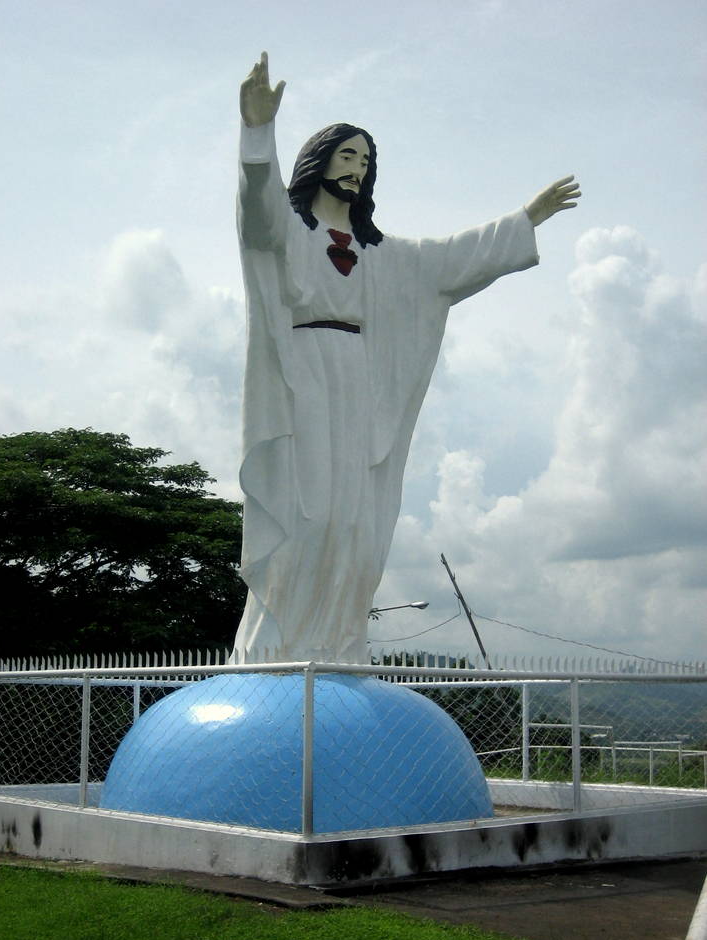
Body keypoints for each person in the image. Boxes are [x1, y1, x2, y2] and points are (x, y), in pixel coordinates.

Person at [233, 53, 580, 664]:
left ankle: (340, 646)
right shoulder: (290, 231)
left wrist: (528, 218)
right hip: (304, 375)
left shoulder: (383, 254)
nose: (358, 169)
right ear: (319, 162)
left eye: (366, 161)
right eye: (347, 155)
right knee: (305, 516)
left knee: (354, 526)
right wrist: (259, 133)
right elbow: (257, 213)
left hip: (358, 380)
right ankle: (275, 650)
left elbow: (454, 258)